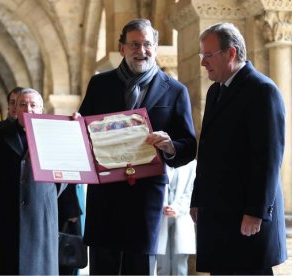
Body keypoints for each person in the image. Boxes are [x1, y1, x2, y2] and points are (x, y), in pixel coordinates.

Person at [78, 18, 197, 275]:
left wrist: (170, 146)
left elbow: (188, 145)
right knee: (103, 266)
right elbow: (81, 132)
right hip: (105, 194)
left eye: (147, 44)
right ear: (122, 48)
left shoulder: (175, 90)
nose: (141, 51)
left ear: (154, 47)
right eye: (134, 44)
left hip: (146, 197)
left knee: (139, 267)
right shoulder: (99, 85)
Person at [190, 22, 287, 275]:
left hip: (247, 218)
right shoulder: (215, 92)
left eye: (208, 56)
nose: (203, 63)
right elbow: (207, 151)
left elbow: (268, 158)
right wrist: (197, 199)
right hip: (218, 217)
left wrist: (255, 211)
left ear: (231, 53)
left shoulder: (262, 90)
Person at [0, 88, 62, 275]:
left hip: (41, 214)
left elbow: (64, 174)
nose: (29, 109)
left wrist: (44, 195)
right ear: (15, 109)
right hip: (9, 213)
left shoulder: (53, 136)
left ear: (41, 109)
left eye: (34, 105)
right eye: (23, 104)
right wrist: (6, 195)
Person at [156, 160, 196, 276]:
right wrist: (162, 206)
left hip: (182, 215)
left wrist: (176, 208)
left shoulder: (192, 164)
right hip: (161, 215)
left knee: (180, 265)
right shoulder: (158, 161)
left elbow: (192, 191)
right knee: (162, 265)